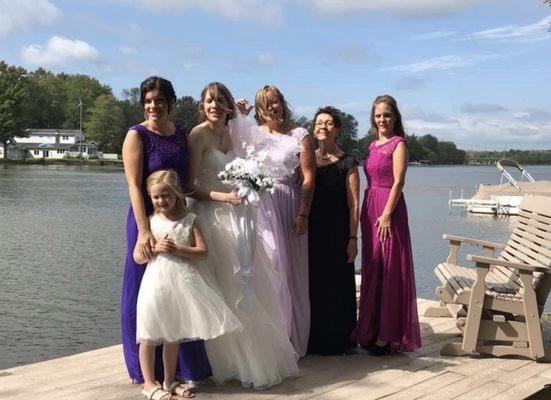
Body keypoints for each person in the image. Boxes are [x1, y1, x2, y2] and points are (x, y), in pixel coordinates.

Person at [186, 82, 299, 389]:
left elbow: (254, 163)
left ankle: (249, 361)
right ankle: (220, 362)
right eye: (209, 101)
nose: (214, 106)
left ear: (228, 106)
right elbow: (187, 186)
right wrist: (224, 198)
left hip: (240, 218)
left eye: (220, 101)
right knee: (223, 287)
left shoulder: (236, 131)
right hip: (211, 215)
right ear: (202, 105)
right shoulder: (197, 136)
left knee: (249, 285)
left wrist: (253, 186)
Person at [121, 76, 212, 385]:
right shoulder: (137, 136)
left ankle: (180, 371)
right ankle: (145, 373)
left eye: (159, 100)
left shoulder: (180, 134)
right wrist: (145, 231)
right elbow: (134, 185)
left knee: (180, 292)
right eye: (147, 100)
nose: (153, 106)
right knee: (144, 292)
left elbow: (187, 183)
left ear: (171, 103)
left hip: (179, 219)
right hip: (146, 218)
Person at [136, 170, 242, 399]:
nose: (161, 201)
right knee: (149, 334)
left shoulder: (190, 219)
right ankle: (148, 383)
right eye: (156, 197)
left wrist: (178, 249)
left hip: (182, 284)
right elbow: (138, 257)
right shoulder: (149, 222)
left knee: (173, 335)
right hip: (156, 284)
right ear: (149, 197)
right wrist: (154, 249)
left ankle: (170, 380)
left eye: (166, 195)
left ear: (176, 195)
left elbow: (202, 252)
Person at [240, 85, 316, 357]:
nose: (275, 107)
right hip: (262, 207)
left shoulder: (300, 135)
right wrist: (238, 117)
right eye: (268, 104)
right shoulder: (253, 132)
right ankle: (269, 342)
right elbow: (232, 153)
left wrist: (303, 213)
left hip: (290, 204)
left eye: (278, 102)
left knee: (291, 272)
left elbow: (308, 178)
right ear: (260, 109)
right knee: (270, 267)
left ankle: (291, 340)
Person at [351, 95, 421, 355]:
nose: (382, 119)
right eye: (378, 115)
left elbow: (399, 181)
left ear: (395, 117)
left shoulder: (398, 144)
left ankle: (386, 334)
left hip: (388, 209)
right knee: (373, 268)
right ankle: (369, 328)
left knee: (390, 268)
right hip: (371, 208)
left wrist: (388, 213)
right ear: (373, 118)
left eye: (387, 115)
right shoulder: (371, 146)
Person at [307, 106, 360, 356]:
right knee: (313, 283)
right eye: (319, 123)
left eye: (328, 123)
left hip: (338, 233)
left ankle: (339, 339)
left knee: (337, 285)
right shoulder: (307, 159)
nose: (323, 127)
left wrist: (353, 238)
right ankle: (313, 338)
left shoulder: (348, 161)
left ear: (337, 129)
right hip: (312, 232)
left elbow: (354, 203)